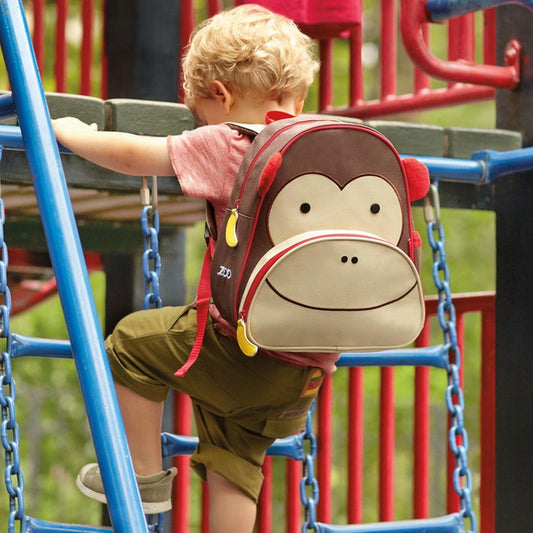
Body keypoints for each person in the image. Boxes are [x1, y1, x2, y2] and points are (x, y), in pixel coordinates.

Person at [53, 5, 339, 532]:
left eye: (199, 111)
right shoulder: (326, 145)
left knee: (131, 344)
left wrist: (72, 134)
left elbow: (138, 154)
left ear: (221, 95)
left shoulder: (233, 140)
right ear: (297, 97)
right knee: (235, 460)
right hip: (308, 367)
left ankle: (143, 481)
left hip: (244, 344)